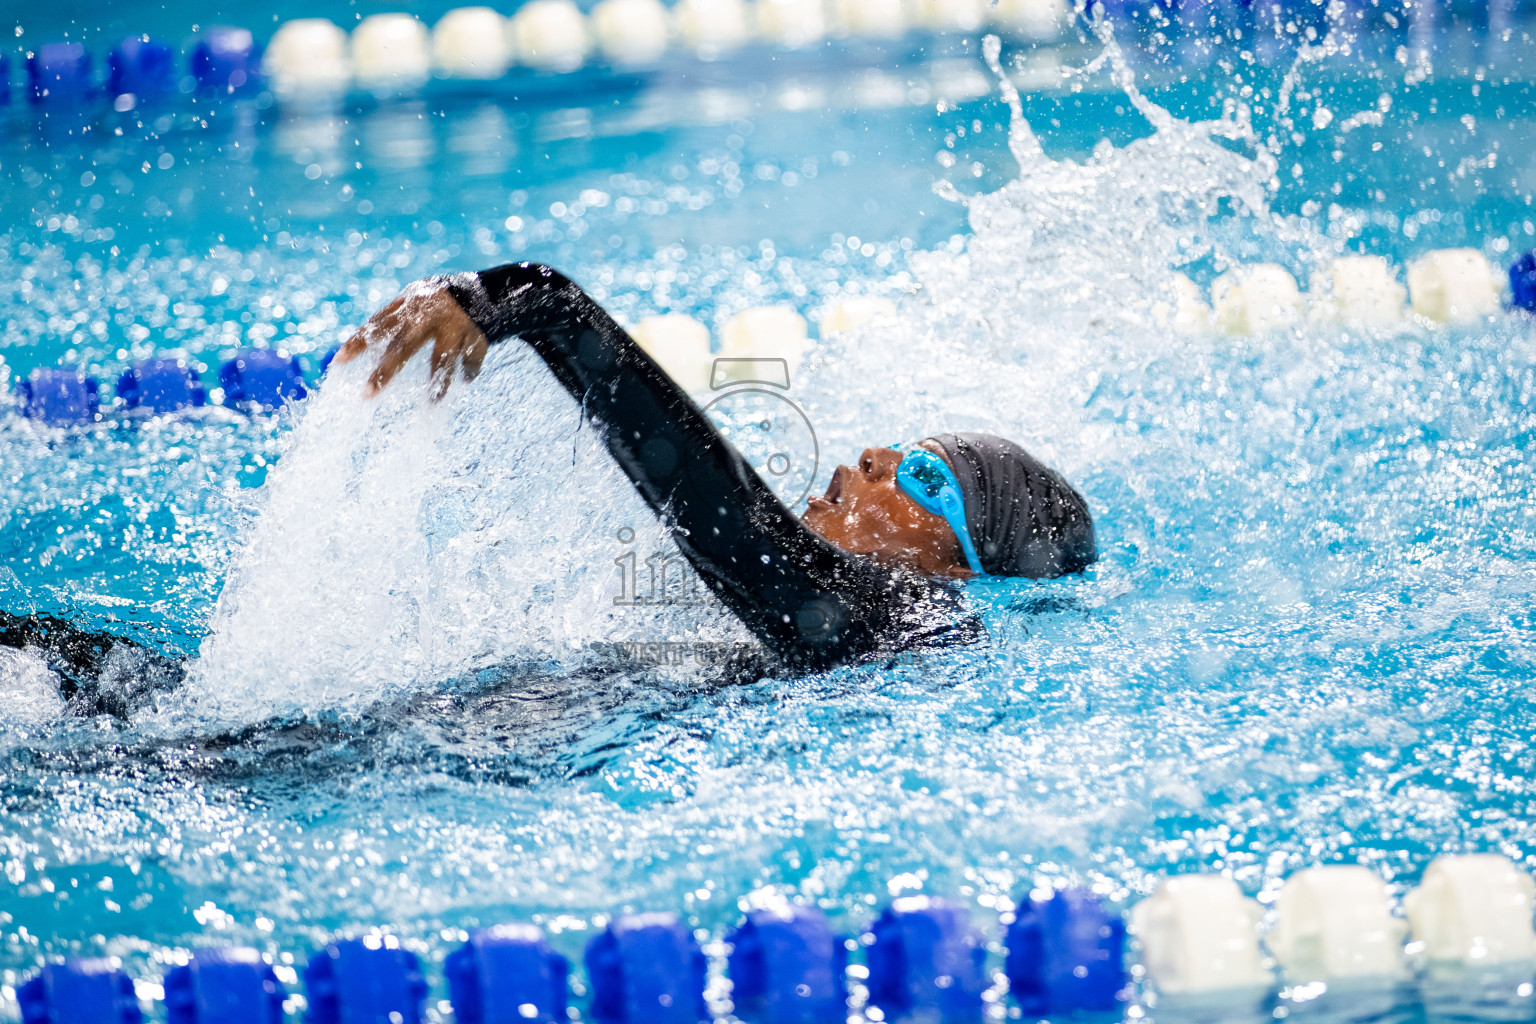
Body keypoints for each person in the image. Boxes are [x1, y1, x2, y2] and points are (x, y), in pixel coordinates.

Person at [335, 262, 1097, 674]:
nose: (873, 458)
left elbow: (734, 527)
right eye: (900, 448)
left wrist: (542, 304)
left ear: (958, 566)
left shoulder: (914, 621)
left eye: (925, 480)